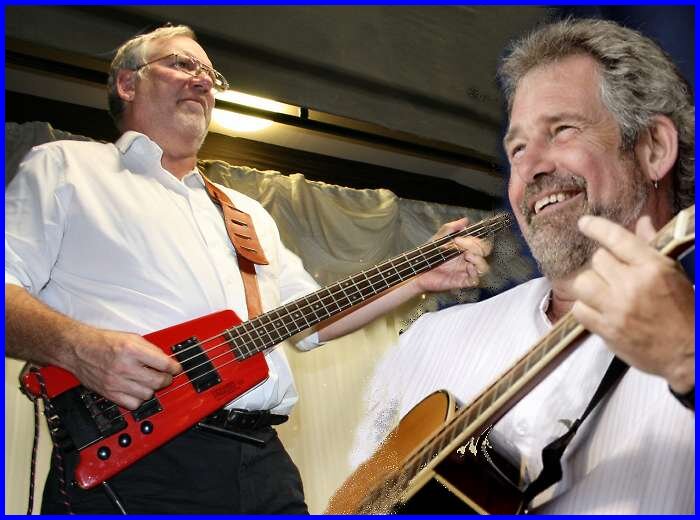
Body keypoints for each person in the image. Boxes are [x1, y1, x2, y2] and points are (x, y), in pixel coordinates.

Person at [4, 25, 493, 514]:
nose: (202, 80)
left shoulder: (246, 213)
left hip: (261, 461)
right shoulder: (66, 167)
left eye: (210, 74)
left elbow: (310, 319)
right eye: (181, 64)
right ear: (127, 83)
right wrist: (77, 347)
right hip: (138, 460)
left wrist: (416, 278)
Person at [346, 18, 694, 514]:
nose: (530, 168)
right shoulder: (427, 339)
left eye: (562, 130)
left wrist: (687, 357)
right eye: (517, 149)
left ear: (654, 147)